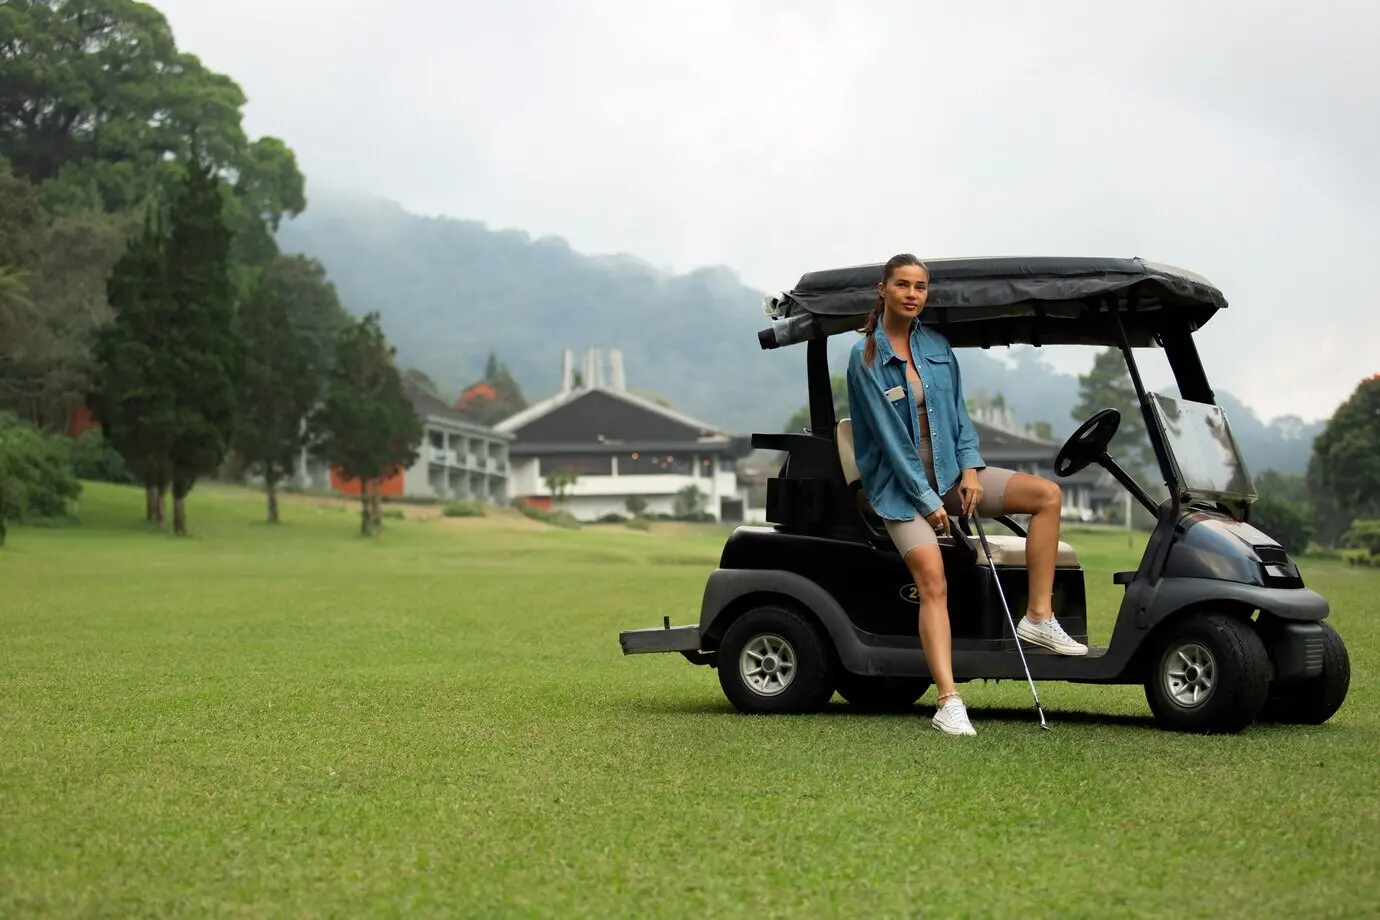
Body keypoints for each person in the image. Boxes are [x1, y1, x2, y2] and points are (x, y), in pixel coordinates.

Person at [846, 253, 1087, 737]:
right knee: (933, 580)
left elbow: (958, 418)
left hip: (954, 477)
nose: (912, 294)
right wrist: (930, 504)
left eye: (920, 287)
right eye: (902, 285)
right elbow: (891, 445)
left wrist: (972, 470)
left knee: (1046, 496)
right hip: (900, 492)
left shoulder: (936, 346)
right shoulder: (865, 357)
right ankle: (949, 701)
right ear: (883, 290)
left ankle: (1038, 617)